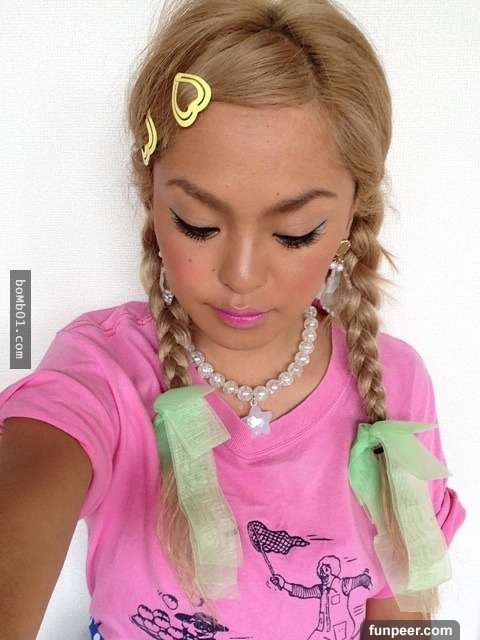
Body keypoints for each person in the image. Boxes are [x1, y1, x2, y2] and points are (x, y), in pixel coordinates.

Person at [0, 0, 467, 638]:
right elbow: (28, 482)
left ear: (354, 215)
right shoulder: (103, 371)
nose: (241, 276)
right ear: (151, 195)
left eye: (296, 232)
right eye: (197, 223)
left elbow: (402, 608)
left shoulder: (396, 383)